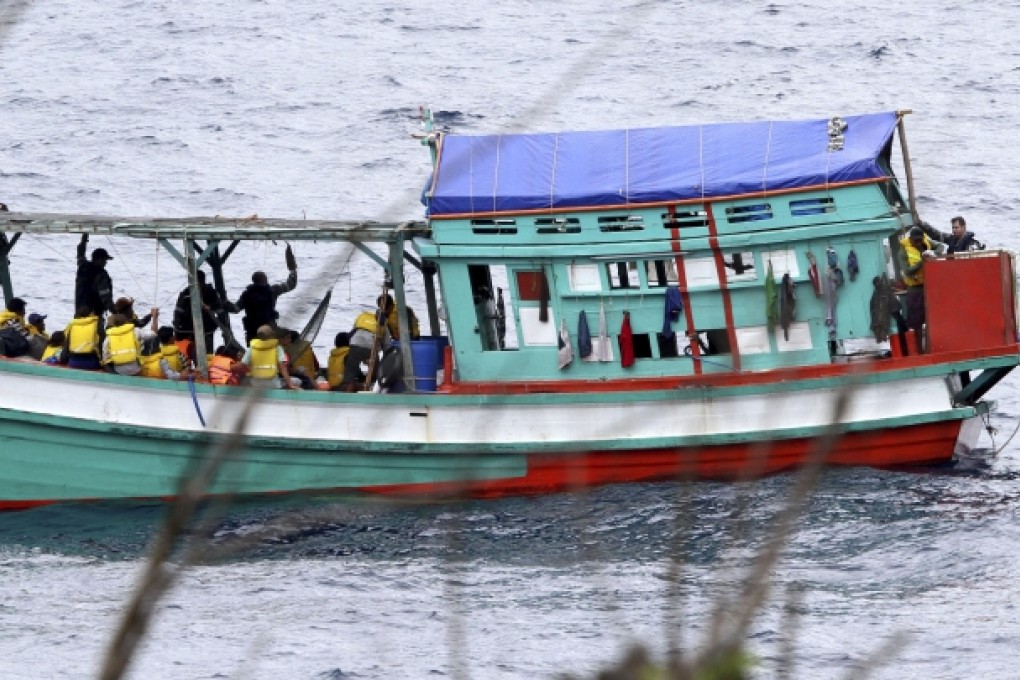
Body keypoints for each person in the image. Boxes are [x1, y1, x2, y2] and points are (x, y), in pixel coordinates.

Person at [228, 245, 298, 344]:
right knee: (294, 336)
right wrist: (293, 271)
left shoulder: (247, 295)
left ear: (253, 281)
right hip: (271, 331)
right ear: (265, 280)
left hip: (252, 333)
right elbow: (291, 285)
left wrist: (223, 303)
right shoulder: (273, 290)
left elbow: (235, 309)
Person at [897, 226, 937, 354]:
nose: (919, 243)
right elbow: (907, 271)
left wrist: (933, 253)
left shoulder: (926, 242)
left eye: (920, 240)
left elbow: (941, 247)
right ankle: (919, 350)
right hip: (914, 290)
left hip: (929, 287)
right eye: (916, 241)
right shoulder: (903, 252)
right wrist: (921, 262)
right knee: (917, 323)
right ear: (911, 240)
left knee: (933, 319)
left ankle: (932, 347)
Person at [340, 307, 391, 391]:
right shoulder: (384, 325)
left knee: (351, 375)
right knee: (376, 370)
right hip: (371, 346)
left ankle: (348, 393)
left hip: (355, 343)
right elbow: (387, 347)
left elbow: (353, 331)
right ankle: (369, 387)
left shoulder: (363, 317)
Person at [173, 270, 225, 351]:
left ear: (203, 282)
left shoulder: (210, 292)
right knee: (189, 351)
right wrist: (177, 330)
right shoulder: (186, 293)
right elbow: (178, 312)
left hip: (207, 329)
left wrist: (210, 308)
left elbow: (219, 309)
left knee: (208, 353)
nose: (197, 286)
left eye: (199, 283)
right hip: (189, 329)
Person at [241, 324, 295, 389]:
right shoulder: (277, 348)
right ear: (271, 336)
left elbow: (242, 365)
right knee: (298, 381)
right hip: (273, 385)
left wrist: (230, 368)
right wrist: (290, 384)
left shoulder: (251, 348)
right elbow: (283, 367)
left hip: (255, 385)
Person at [74, 235, 116, 320]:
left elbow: (80, 254)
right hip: (94, 315)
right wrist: (115, 311)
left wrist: (84, 240)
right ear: (99, 259)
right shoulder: (101, 274)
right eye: (105, 260)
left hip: (79, 313)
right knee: (97, 333)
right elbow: (105, 297)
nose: (105, 263)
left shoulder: (83, 266)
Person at [64, 305, 102, 370]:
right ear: (91, 313)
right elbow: (100, 345)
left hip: (73, 362)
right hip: (92, 363)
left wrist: (63, 360)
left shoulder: (71, 325)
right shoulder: (96, 324)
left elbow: (66, 346)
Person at [920, 216, 984, 254]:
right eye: (953, 228)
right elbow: (937, 235)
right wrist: (923, 226)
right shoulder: (951, 239)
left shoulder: (972, 243)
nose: (954, 230)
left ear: (963, 227)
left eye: (956, 228)